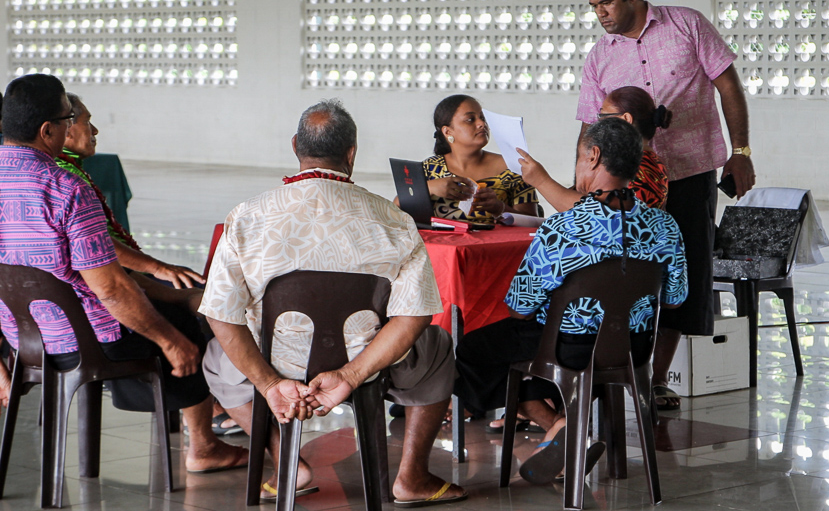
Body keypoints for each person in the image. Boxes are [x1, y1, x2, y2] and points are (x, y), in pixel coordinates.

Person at [0, 74, 247, 474]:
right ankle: (206, 445)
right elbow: (110, 289)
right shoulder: (66, 187)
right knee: (186, 325)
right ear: (48, 129)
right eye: (69, 117)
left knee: (172, 305)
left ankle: (205, 428)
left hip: (27, 342)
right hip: (93, 340)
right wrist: (171, 340)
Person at [200, 99, 468, 507]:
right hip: (369, 361)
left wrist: (271, 384)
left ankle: (291, 464)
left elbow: (222, 313)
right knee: (438, 346)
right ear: (352, 154)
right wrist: (351, 373)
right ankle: (411, 477)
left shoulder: (247, 216)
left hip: (276, 360)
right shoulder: (395, 221)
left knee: (217, 358)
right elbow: (414, 314)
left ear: (295, 147)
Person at [454, 118, 688, 484]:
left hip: (568, 350)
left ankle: (556, 423)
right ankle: (559, 425)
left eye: (579, 157)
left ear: (593, 156)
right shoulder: (665, 226)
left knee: (473, 350)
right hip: (632, 349)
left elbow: (521, 307)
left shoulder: (561, 228)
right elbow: (674, 299)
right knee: (533, 353)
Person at [577, 0, 755, 409]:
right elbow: (587, 124)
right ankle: (616, 368)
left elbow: (729, 87)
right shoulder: (601, 55)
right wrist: (582, 175)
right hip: (628, 186)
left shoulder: (687, 25)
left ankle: (654, 380)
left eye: (607, 3)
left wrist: (741, 152)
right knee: (624, 276)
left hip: (691, 174)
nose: (601, 13)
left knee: (685, 274)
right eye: (594, 6)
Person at [57, 93, 205, 292]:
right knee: (198, 292)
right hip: (108, 279)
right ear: (64, 128)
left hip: (113, 272)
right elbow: (94, 241)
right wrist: (157, 269)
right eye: (87, 122)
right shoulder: (64, 178)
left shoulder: (65, 168)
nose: (95, 131)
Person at [519, 86, 672, 212]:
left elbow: (599, 214)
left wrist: (541, 181)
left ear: (626, 119)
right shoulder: (638, 160)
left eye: (603, 116)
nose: (597, 124)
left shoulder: (643, 166)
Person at [422, 94, 538, 223]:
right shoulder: (430, 168)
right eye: (470, 119)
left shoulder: (514, 167)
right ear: (448, 132)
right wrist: (428, 188)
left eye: (482, 118)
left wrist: (500, 208)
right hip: (442, 243)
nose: (482, 124)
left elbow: (533, 223)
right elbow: (398, 212)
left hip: (498, 243)